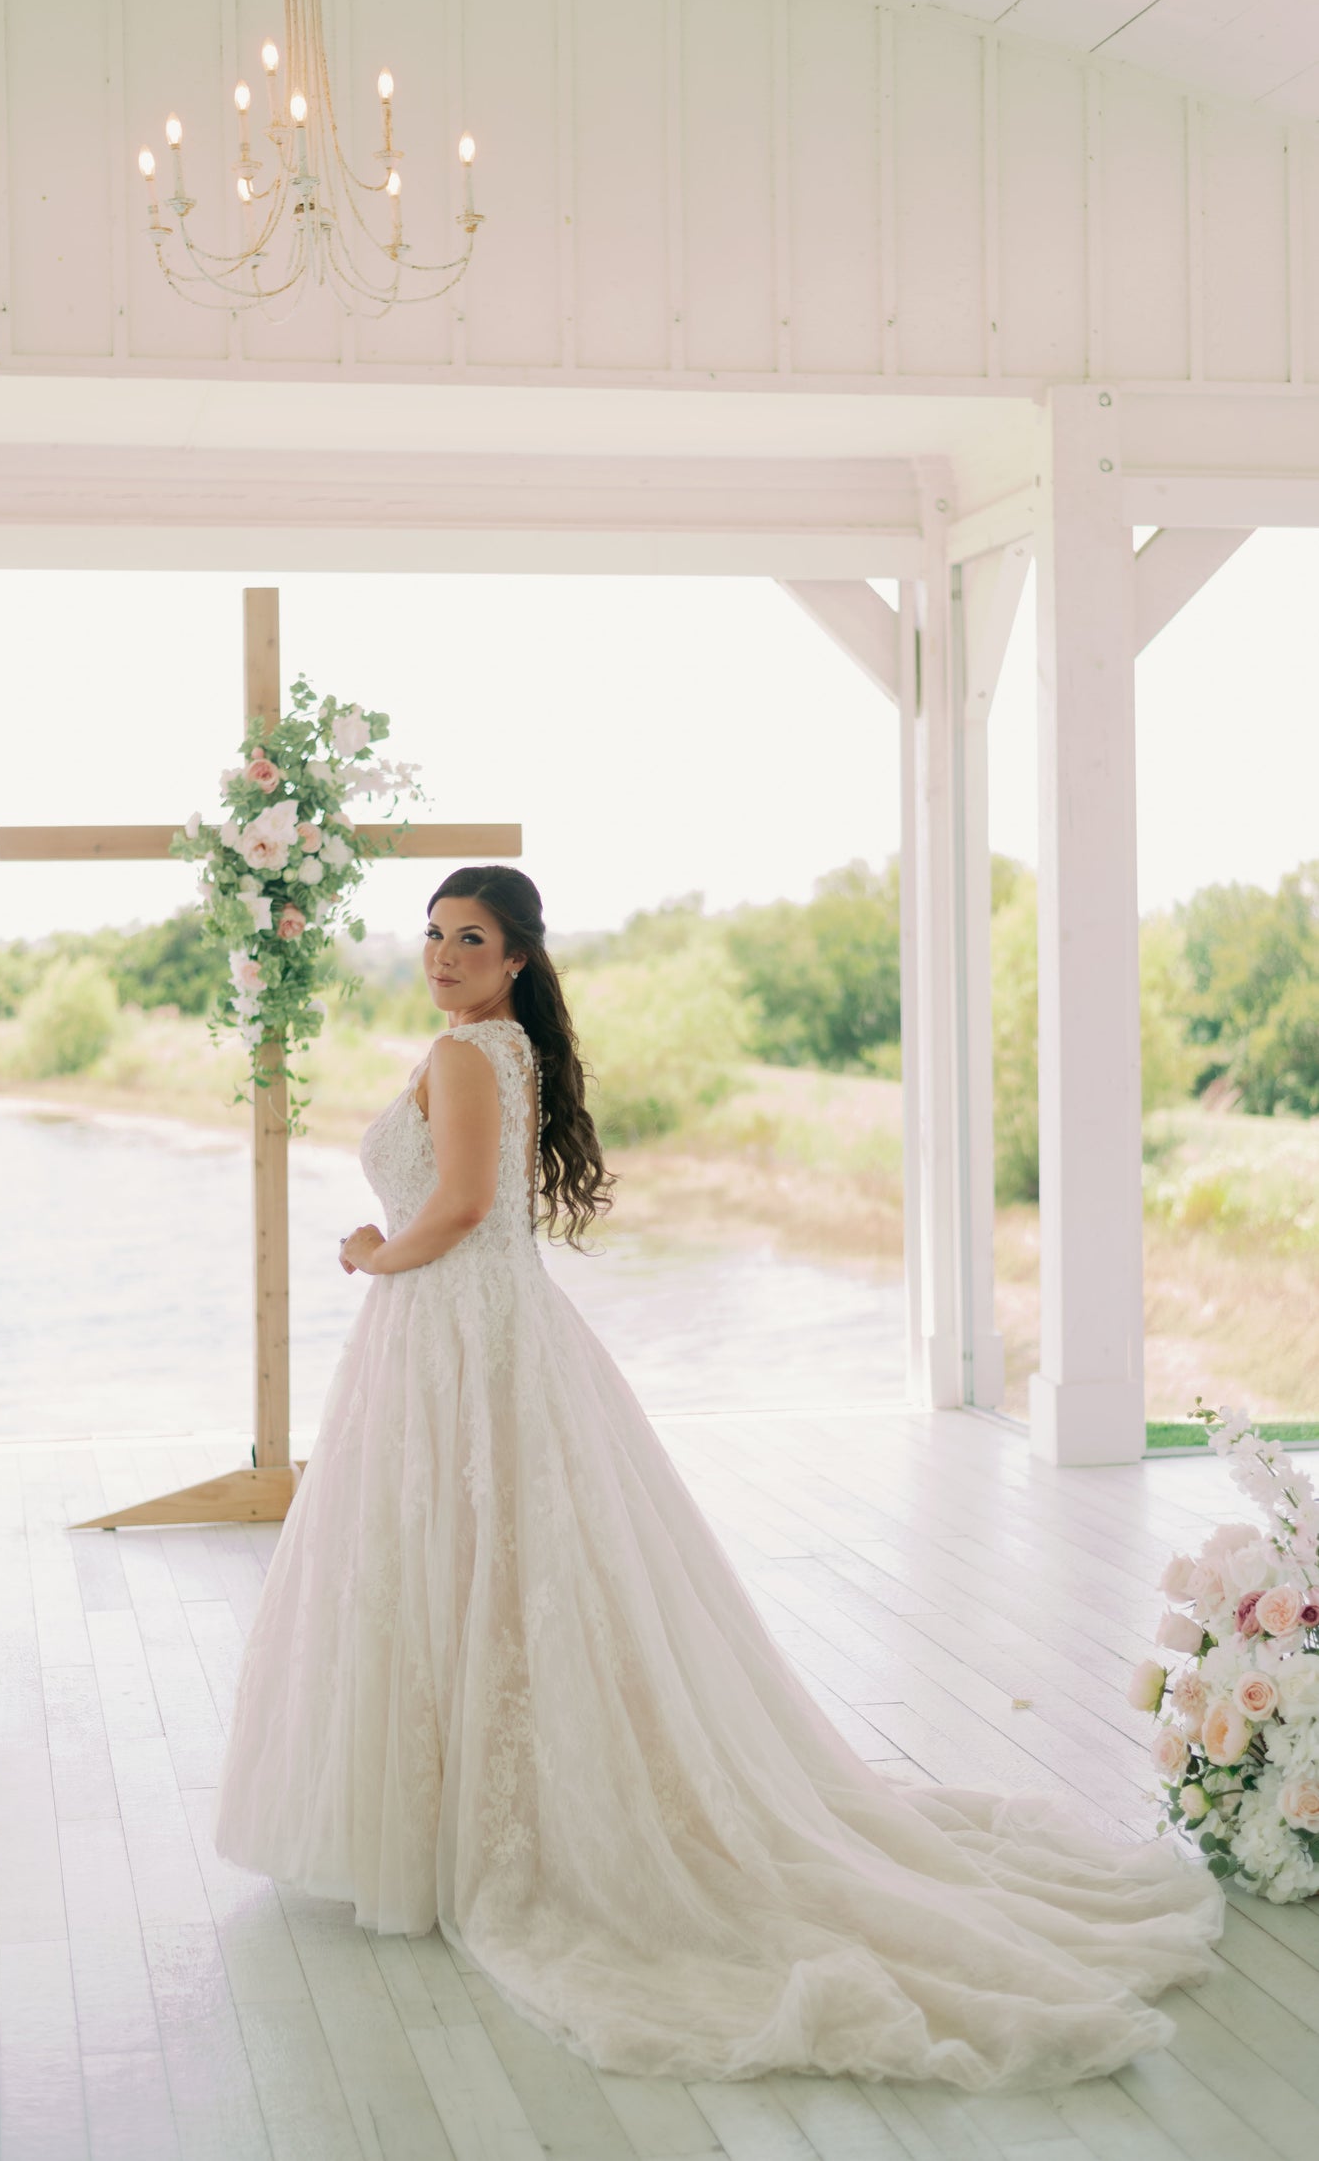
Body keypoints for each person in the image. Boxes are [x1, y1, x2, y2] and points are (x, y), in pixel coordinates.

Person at [210, 862, 1228, 2092]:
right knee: (487, 1564)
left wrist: (373, 1255)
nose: (441, 954)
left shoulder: (468, 1057)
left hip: (449, 1329)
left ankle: (469, 1832)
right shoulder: (497, 1051)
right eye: (431, 934)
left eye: (467, 939)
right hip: (475, 1334)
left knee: (464, 1559)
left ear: (516, 957)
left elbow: (468, 1203)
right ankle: (458, 1815)